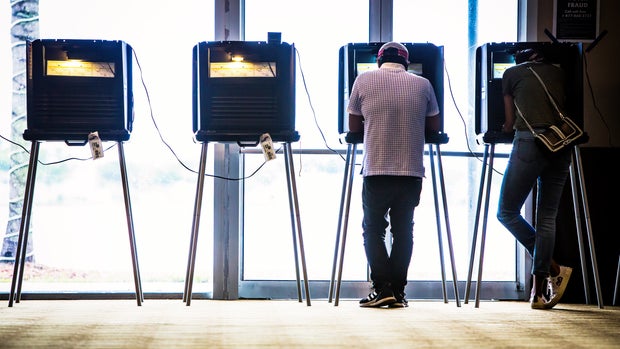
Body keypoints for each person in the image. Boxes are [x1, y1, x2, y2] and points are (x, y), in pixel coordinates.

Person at [347, 42, 441, 308]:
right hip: (411, 171)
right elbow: (434, 124)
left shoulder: (363, 80)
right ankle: (398, 292)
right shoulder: (423, 84)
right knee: (403, 231)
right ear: (406, 62)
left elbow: (354, 125)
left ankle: (382, 288)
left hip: (377, 169)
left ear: (379, 61)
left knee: (373, 230)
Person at [498, 48, 573, 310]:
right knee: (547, 217)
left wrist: (506, 128)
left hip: (530, 143)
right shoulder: (560, 72)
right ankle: (538, 294)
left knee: (506, 212)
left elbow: (509, 123)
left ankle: (553, 266)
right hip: (561, 143)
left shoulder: (510, 74)